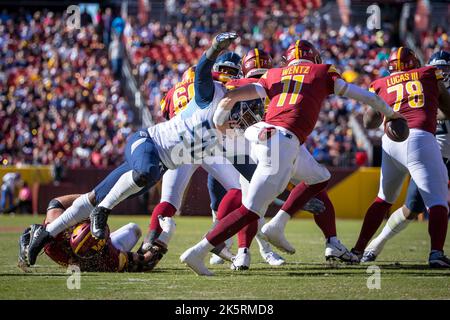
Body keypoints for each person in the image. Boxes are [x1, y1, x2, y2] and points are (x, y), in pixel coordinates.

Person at [180, 40, 401, 276]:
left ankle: (278, 224)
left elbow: (229, 97)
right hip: (279, 142)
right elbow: (366, 97)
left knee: (320, 177)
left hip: (265, 138)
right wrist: (392, 113)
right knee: (250, 210)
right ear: (314, 58)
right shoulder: (322, 71)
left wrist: (219, 121)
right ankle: (199, 251)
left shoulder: (275, 74)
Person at [25, 32, 245, 267]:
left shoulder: (199, 105)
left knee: (99, 195)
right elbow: (201, 77)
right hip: (156, 145)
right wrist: (213, 49)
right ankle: (105, 212)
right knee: (146, 179)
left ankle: (45, 234)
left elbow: (171, 115)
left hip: (170, 157)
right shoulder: (212, 92)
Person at [351, 47, 450, 268]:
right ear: (415, 61)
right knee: (437, 200)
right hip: (420, 139)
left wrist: (385, 109)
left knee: (383, 198)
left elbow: (369, 123)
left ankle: (357, 250)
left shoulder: (381, 84)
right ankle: (436, 253)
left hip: (391, 142)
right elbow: (448, 109)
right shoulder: (428, 73)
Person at [18, 194, 175, 272]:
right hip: (100, 259)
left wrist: (87, 200)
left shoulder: (55, 238)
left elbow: (55, 203)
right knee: (134, 230)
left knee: (37, 234)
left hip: (79, 253)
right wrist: (164, 239)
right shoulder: (108, 257)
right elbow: (145, 261)